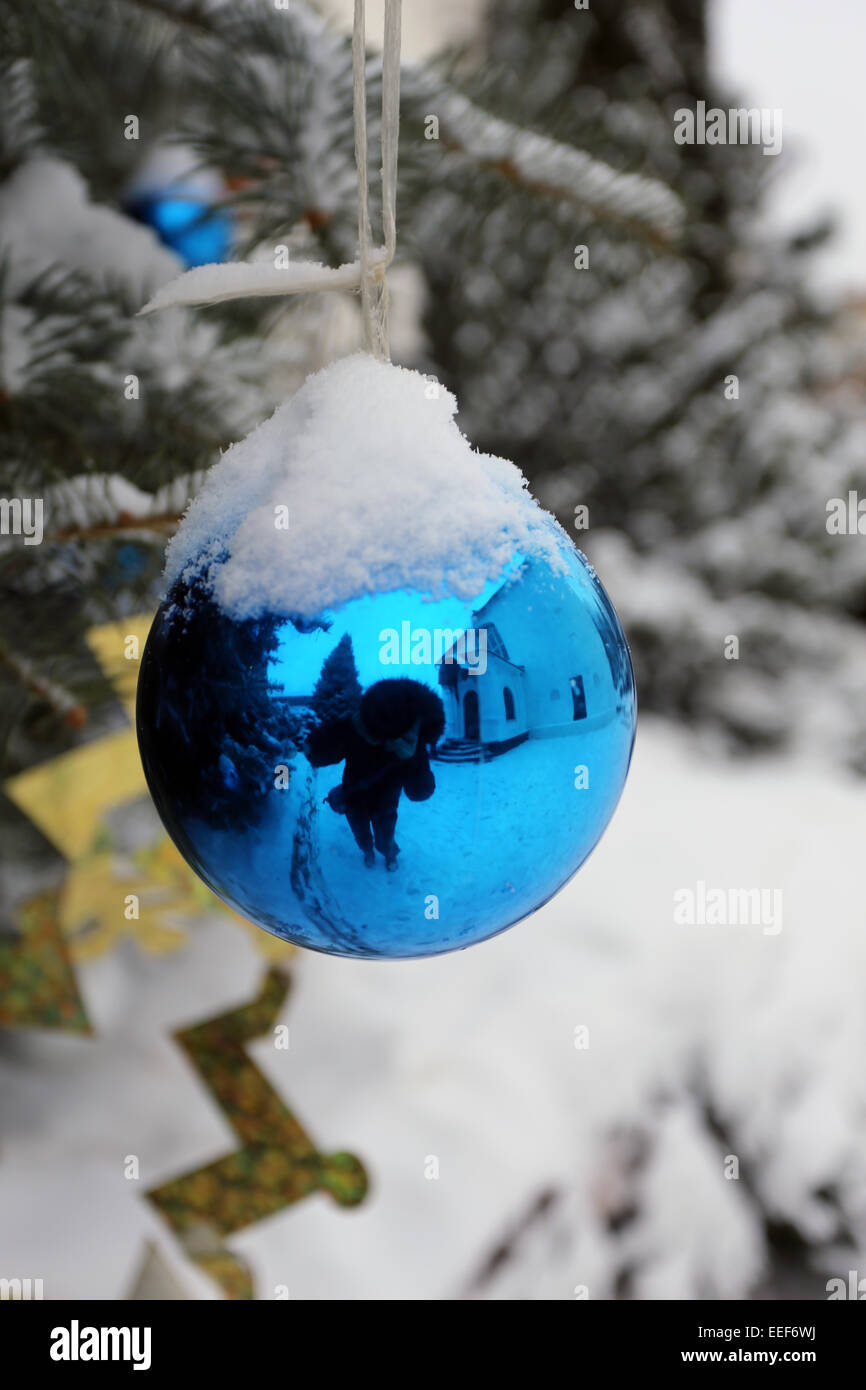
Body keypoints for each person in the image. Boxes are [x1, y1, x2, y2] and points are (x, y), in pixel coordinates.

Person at [306, 678, 445, 870]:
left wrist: (413, 755)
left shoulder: (413, 745)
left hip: (386, 804)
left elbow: (419, 792)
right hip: (354, 798)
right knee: (361, 836)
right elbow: (316, 754)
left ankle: (390, 855)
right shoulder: (355, 728)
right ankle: (368, 852)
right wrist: (341, 730)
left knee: (385, 838)